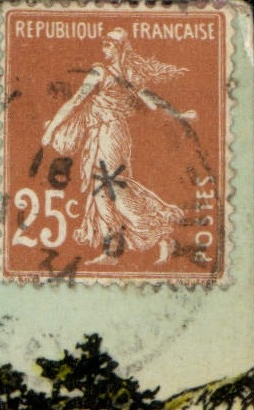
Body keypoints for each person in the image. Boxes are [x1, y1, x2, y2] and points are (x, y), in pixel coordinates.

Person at [40, 28, 197, 266]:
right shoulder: (118, 74)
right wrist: (179, 113)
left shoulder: (106, 73)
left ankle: (161, 233)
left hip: (110, 134)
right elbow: (149, 101)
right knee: (101, 190)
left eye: (108, 44)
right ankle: (112, 251)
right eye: (104, 43)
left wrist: (51, 130)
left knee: (113, 187)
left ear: (118, 48)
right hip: (103, 134)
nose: (104, 48)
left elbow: (76, 102)